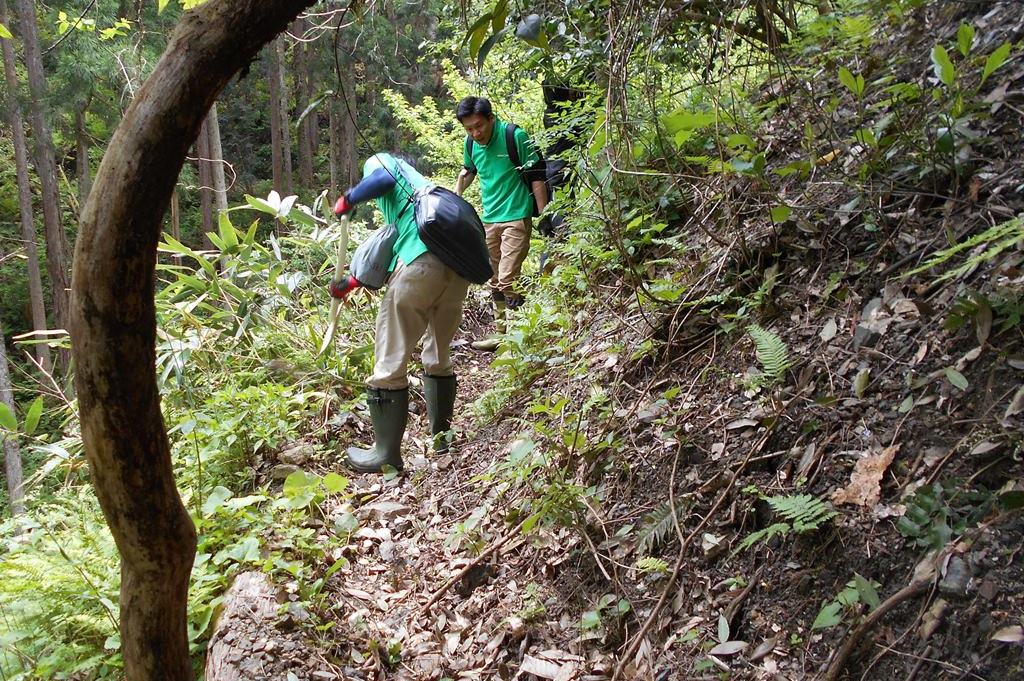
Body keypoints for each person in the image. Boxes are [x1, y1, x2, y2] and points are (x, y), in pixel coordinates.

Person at [330, 152, 470, 473]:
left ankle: (385, 454)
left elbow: (381, 179)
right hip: (457, 270)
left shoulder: (381, 162)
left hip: (421, 264)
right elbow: (385, 254)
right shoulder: (424, 196)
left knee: (390, 359)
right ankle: (442, 438)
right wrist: (351, 282)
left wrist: (349, 198)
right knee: (438, 353)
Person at [453, 96, 548, 351]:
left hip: (516, 215)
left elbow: (537, 173)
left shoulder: (514, 136)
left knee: (507, 279)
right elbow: (468, 171)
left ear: (491, 119)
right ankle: (501, 333)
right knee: (493, 278)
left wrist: (545, 213)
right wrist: (453, 199)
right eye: (469, 128)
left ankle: (521, 332)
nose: (476, 133)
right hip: (489, 219)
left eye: (479, 126)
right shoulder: (470, 144)